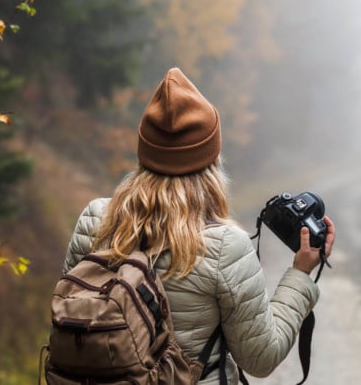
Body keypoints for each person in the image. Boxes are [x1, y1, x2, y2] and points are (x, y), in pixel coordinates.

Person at [62, 67, 336, 384]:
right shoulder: (223, 246)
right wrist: (301, 275)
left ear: (144, 154)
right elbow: (260, 358)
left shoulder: (96, 219)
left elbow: (68, 312)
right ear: (211, 163)